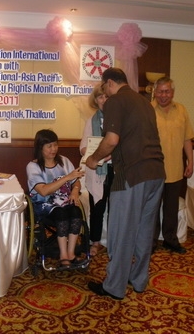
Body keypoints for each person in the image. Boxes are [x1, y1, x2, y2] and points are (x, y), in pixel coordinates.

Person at [85, 67, 165, 300]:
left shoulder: (115, 101)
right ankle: (138, 280)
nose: (105, 94)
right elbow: (135, 138)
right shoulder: (144, 102)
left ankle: (114, 286)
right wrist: (113, 153)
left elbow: (111, 139)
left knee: (121, 232)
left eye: (105, 88)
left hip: (131, 176)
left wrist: (94, 158)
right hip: (156, 173)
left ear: (109, 83)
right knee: (143, 231)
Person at [26, 129, 87, 269]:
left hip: (65, 201)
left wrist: (75, 192)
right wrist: (67, 177)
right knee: (61, 214)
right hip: (44, 205)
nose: (53, 149)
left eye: (55, 145)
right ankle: (63, 255)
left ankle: (71, 254)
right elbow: (44, 190)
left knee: (76, 213)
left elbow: (76, 181)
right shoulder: (33, 167)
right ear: (40, 148)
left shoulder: (64, 161)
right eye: (49, 146)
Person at [152, 77, 194, 254]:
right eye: (160, 91)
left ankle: (170, 240)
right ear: (155, 92)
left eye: (167, 91)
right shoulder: (147, 110)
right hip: (153, 170)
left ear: (172, 92)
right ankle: (151, 242)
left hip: (176, 168)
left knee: (171, 208)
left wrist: (190, 161)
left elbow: (187, 138)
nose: (163, 95)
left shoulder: (181, 110)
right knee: (152, 209)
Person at [80, 84, 114, 257]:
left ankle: (115, 242)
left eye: (106, 96)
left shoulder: (119, 120)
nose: (104, 100)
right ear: (96, 100)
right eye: (100, 97)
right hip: (97, 172)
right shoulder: (90, 121)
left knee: (116, 208)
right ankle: (95, 241)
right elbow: (83, 148)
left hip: (116, 171)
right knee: (97, 208)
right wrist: (96, 154)